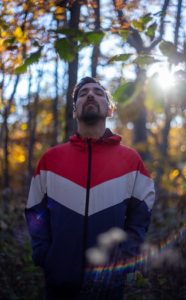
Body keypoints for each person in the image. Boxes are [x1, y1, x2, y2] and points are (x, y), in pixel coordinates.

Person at [25, 77, 155, 300]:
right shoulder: (50, 159)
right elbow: (35, 209)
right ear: (74, 112)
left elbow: (141, 213)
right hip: (59, 282)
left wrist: (126, 254)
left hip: (109, 282)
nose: (91, 95)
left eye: (98, 92)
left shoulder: (131, 160)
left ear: (110, 109)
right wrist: (44, 254)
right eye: (83, 93)